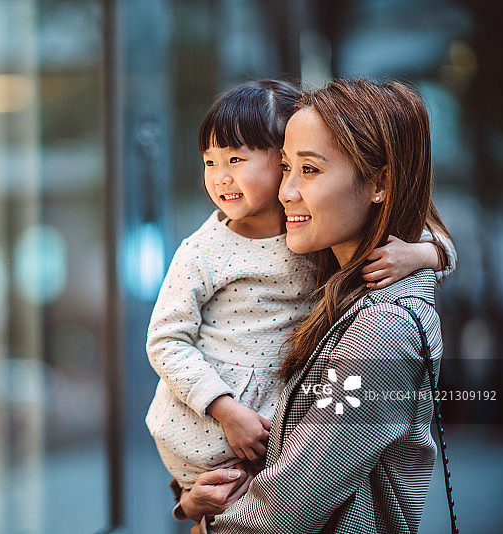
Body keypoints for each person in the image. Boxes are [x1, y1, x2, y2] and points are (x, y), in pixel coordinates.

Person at [145, 79, 454, 504]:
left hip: (264, 456)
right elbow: (165, 339)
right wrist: (191, 496)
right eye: (209, 162)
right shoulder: (207, 250)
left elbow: (300, 495)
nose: (220, 177)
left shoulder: (373, 306)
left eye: (307, 168)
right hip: (208, 431)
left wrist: (419, 254)